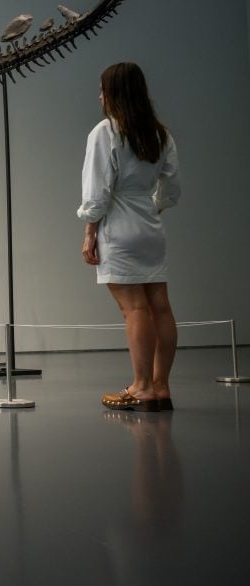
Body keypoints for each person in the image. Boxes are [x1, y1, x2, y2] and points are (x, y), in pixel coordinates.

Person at [77, 62, 181, 412]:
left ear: (113, 94)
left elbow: (97, 193)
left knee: (134, 309)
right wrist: (149, 209)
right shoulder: (160, 133)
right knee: (160, 307)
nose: (99, 96)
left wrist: (90, 230)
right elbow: (170, 191)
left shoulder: (105, 132)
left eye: (103, 89)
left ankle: (140, 387)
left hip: (118, 229)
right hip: (150, 228)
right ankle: (161, 386)